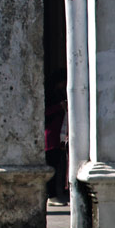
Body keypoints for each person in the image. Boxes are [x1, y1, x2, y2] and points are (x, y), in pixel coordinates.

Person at [44, 69, 69, 205]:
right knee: (51, 166)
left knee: (57, 165)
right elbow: (45, 112)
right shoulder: (49, 96)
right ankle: (51, 194)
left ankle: (54, 193)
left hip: (58, 135)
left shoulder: (58, 94)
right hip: (50, 136)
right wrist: (59, 107)